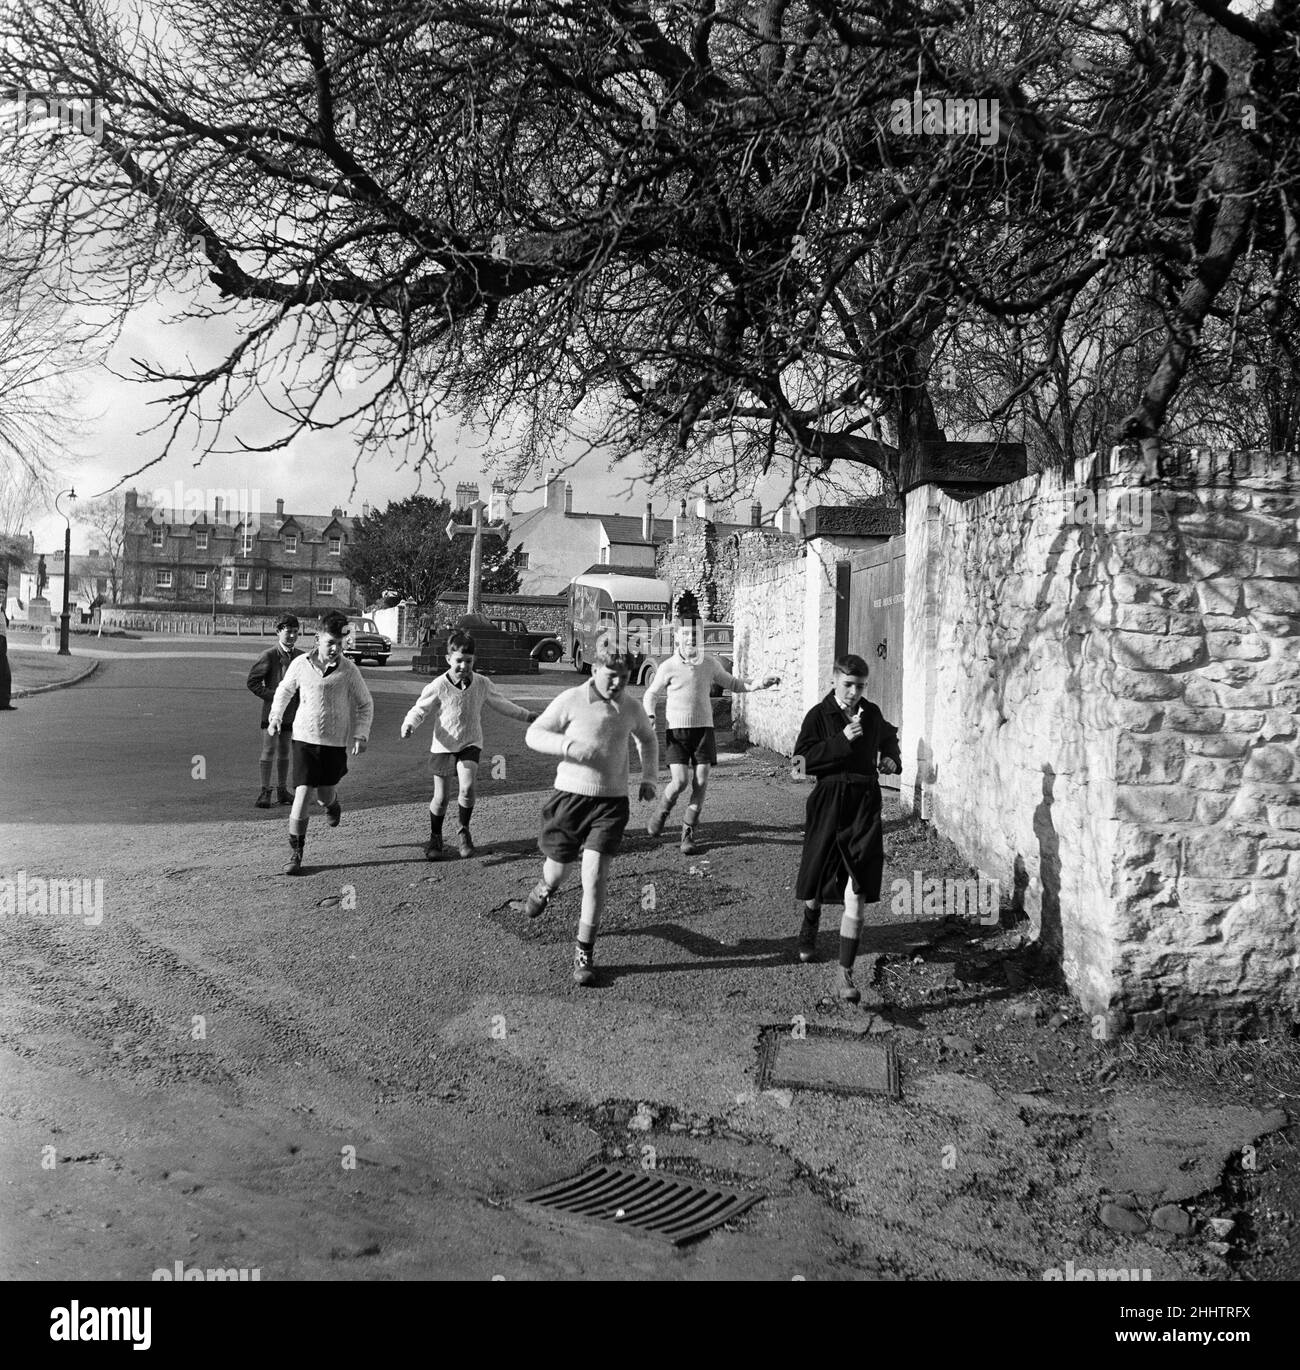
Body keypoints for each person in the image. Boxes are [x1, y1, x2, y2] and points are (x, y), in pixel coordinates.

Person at [522, 637, 658, 986]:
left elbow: (647, 738)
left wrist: (648, 777)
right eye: (610, 675)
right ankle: (544, 888)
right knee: (558, 873)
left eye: (624, 678)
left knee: (595, 875)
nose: (616, 683)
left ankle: (584, 952)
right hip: (569, 800)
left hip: (611, 804)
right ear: (595, 668)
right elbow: (534, 734)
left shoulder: (630, 707)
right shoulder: (571, 700)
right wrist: (566, 745)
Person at [792, 654, 901, 1003]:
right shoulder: (818, 716)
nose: (854, 692)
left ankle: (845, 973)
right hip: (828, 802)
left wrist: (890, 758)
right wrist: (840, 740)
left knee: (858, 885)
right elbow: (798, 765)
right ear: (835, 680)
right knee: (817, 878)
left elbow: (889, 739)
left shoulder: (872, 714)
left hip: (864, 804)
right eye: (848, 685)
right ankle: (811, 919)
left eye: (860, 686)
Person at [641, 602, 779, 854]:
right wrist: (650, 715)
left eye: (695, 635)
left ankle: (688, 832)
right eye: (686, 634)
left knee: (701, 782)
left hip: (704, 731)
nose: (691, 639)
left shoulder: (710, 664)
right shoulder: (668, 666)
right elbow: (650, 694)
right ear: (677, 636)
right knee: (680, 781)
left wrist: (761, 683)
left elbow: (735, 684)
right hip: (677, 733)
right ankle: (662, 810)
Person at [400, 629, 539, 859]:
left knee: (466, 787)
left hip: (470, 743)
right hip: (444, 745)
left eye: (468, 661)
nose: (463, 666)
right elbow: (420, 709)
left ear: (474, 660)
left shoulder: (482, 683)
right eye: (458, 661)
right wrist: (410, 724)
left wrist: (526, 715)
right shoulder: (438, 685)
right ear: (448, 659)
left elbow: (501, 703)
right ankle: (435, 837)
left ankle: (464, 831)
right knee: (441, 798)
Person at [268, 610, 374, 876]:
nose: (336, 648)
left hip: (334, 743)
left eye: (340, 644)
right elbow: (284, 690)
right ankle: (296, 853)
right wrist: (275, 716)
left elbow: (365, 704)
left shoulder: (349, 671)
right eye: (330, 643)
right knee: (303, 792)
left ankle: (332, 804)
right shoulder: (301, 664)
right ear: (317, 639)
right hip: (304, 738)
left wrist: (361, 733)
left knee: (324, 793)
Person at [245, 614, 303, 807]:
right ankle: (265, 792)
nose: (292, 636)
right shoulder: (269, 655)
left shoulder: (301, 657)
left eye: (295, 632)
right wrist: (275, 695)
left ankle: (282, 790)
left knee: (286, 751)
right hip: (271, 714)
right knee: (269, 749)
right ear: (278, 631)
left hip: (292, 714)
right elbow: (252, 682)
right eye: (288, 632)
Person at [0, 603, 13, 711]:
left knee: (5, 674)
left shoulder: (2, 609)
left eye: (3, 592)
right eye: (0, 591)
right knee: (4, 673)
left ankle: (4, 703)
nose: (1, 594)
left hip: (3, 641)